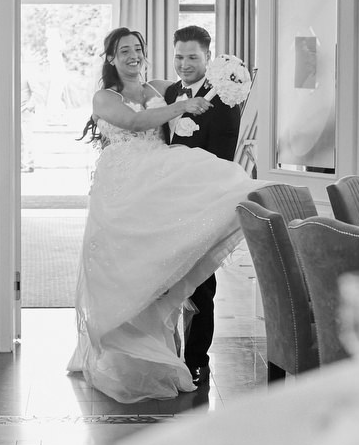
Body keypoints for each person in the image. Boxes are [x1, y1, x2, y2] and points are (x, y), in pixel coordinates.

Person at [68, 27, 261, 403]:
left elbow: (207, 135)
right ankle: (123, 351)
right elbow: (133, 122)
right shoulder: (106, 97)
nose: (133, 55)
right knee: (131, 273)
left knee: (175, 277)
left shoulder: (161, 89)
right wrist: (183, 107)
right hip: (125, 191)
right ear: (111, 58)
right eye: (124, 50)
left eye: (137, 48)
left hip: (167, 192)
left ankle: (182, 358)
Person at [162, 25, 241, 387]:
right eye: (179, 56)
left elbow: (221, 160)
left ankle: (196, 360)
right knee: (168, 282)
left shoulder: (223, 101)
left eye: (192, 57)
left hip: (203, 203)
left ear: (208, 57)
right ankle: (168, 353)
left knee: (200, 285)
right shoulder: (171, 94)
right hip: (168, 203)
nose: (184, 64)